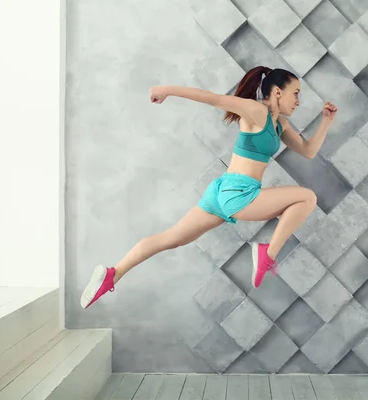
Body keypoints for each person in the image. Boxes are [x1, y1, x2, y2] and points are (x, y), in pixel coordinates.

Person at [80, 66, 337, 309]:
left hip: (222, 191)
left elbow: (308, 150)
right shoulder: (255, 111)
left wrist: (326, 121)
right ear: (278, 92)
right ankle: (266, 253)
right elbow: (212, 99)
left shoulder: (280, 124)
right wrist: (166, 89)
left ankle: (112, 274)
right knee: (306, 198)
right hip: (239, 193)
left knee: (171, 239)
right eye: (296, 93)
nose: (298, 101)